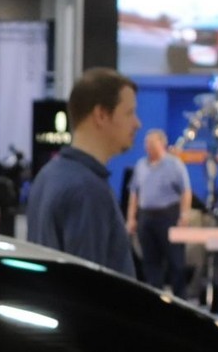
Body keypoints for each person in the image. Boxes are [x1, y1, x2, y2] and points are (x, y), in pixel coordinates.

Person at [27, 69, 138, 275]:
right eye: (129, 113)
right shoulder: (87, 189)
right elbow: (88, 290)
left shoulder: (48, 175)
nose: (137, 123)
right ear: (101, 115)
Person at [123, 128, 193, 291]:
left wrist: (184, 215)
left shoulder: (174, 164)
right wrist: (131, 218)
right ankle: (155, 297)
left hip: (168, 216)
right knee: (150, 263)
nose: (147, 146)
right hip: (146, 217)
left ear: (162, 143)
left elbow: (186, 191)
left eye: (151, 142)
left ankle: (180, 300)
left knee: (176, 262)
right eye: (146, 142)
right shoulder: (141, 165)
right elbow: (134, 193)